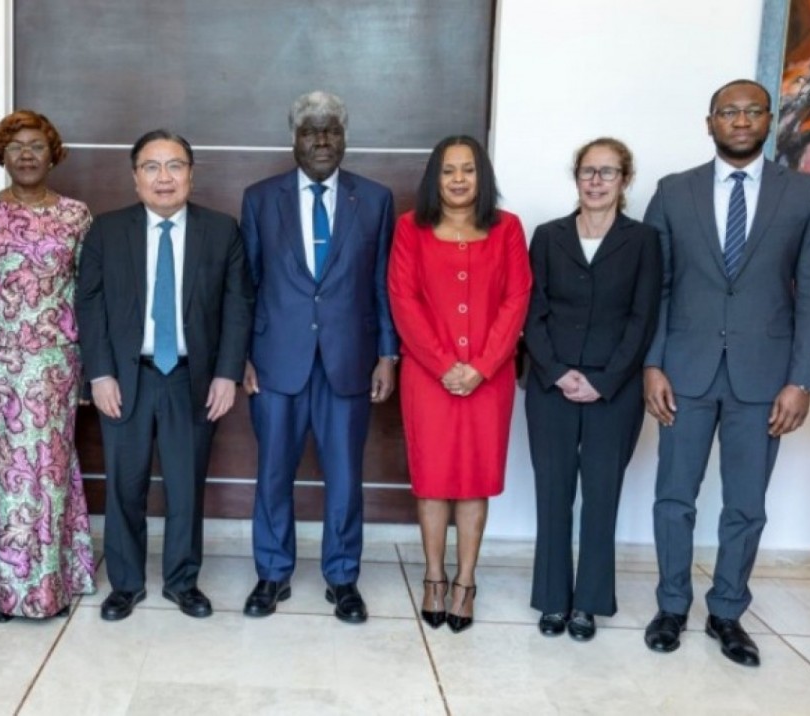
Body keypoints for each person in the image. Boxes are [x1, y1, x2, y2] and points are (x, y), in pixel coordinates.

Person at [641, 79, 810, 666]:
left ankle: (726, 611)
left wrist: (802, 380)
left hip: (765, 378)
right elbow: (654, 286)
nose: (742, 120)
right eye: (729, 112)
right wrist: (652, 363)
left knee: (746, 505)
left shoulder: (804, 194)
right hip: (685, 371)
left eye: (753, 111)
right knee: (674, 497)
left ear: (770, 120)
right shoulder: (673, 191)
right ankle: (672, 605)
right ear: (710, 123)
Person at [76, 129, 254, 622]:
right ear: (135, 178)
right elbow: (88, 305)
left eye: (175, 166)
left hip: (191, 379)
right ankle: (125, 584)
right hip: (125, 377)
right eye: (151, 167)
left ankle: (182, 581)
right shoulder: (107, 230)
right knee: (124, 486)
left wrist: (227, 374)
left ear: (191, 175)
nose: (164, 177)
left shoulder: (221, 230)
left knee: (185, 486)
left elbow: (238, 306)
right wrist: (100, 374)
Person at [238, 91, 398, 623]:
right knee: (272, 474)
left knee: (346, 477)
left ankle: (343, 577)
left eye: (332, 130)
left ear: (345, 138)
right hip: (275, 361)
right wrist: (242, 356)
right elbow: (247, 284)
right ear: (294, 139)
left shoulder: (373, 199)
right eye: (310, 131)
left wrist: (387, 354)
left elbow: (382, 284)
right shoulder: (260, 199)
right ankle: (272, 573)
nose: (322, 140)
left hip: (349, 361)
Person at [0, 110, 96, 620]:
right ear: (1, 155)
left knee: (50, 469)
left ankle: (50, 584)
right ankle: (3, 584)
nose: (27, 154)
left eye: (37, 145)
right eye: (16, 146)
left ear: (52, 154)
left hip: (56, 364)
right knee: (5, 470)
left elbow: (87, 294)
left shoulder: (76, 216)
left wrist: (90, 367)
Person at [388, 135, 531, 634]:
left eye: (468, 169)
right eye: (448, 170)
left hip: (489, 379)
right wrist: (445, 364)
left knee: (474, 481)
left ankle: (466, 582)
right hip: (428, 377)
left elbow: (517, 299)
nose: (458, 179)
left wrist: (483, 366)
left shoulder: (508, 228)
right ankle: (434, 577)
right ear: (435, 177)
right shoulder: (410, 228)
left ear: (481, 176)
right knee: (431, 481)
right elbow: (403, 299)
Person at [522, 138, 661, 642]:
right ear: (576, 176)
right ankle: (552, 599)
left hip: (614, 390)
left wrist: (604, 381)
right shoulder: (548, 236)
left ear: (625, 180)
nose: (596, 181)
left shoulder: (643, 240)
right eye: (588, 171)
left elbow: (643, 318)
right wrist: (557, 371)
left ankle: (589, 603)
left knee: (602, 496)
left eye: (607, 172)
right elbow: (531, 311)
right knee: (553, 493)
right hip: (551, 384)